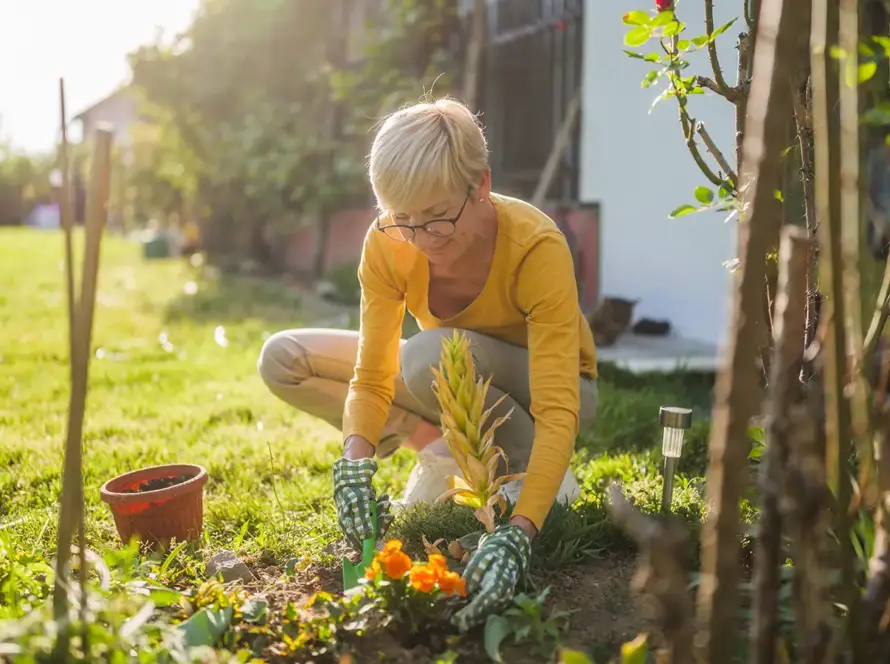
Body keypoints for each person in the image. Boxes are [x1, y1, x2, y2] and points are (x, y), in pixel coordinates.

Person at [257, 98, 598, 630]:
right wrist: (354, 461)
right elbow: (371, 373)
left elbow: (559, 405)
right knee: (283, 357)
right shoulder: (388, 241)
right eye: (401, 220)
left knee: (427, 353)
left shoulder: (537, 246)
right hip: (447, 375)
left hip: (549, 393)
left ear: (480, 185)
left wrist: (518, 533)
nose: (417, 239)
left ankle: (528, 478)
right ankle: (438, 444)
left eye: (435, 219)